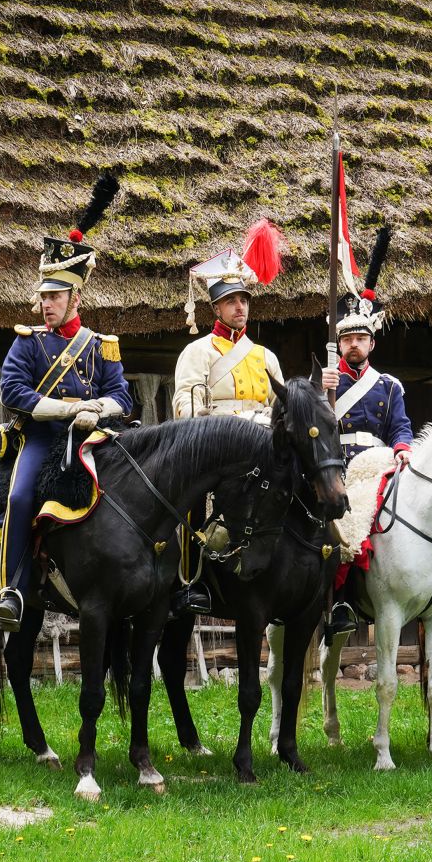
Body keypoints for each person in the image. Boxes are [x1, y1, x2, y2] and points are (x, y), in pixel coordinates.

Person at [0, 174, 131, 631]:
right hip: (41, 439)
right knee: (20, 493)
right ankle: (11, 587)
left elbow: (122, 395)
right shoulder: (27, 343)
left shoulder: (101, 344)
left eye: (53, 296)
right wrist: (70, 408)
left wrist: (99, 410)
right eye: (43, 295)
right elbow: (13, 393)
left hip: (92, 440)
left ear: (75, 295)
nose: (44, 304)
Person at [172, 220, 285, 613]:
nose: (240, 307)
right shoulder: (197, 352)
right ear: (216, 306)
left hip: (261, 449)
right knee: (190, 498)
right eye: (232, 301)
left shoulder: (265, 356)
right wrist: (207, 424)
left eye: (245, 300)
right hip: (216, 450)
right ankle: (191, 580)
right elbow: (184, 405)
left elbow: (279, 407)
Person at [320, 227, 413, 465]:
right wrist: (317, 392)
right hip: (335, 463)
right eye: (347, 340)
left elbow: (400, 427)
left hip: (379, 462)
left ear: (372, 344)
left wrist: (402, 448)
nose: (354, 344)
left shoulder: (390, 386)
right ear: (339, 344)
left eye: (361, 339)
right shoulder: (322, 381)